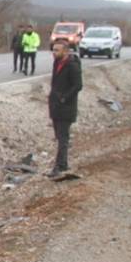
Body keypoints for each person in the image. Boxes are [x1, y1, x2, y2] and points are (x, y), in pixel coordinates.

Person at [47, 40, 82, 178]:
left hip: (66, 107)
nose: (54, 53)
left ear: (66, 51)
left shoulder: (72, 66)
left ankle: (59, 166)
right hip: (55, 106)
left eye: (57, 50)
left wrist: (64, 98)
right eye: (53, 50)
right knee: (59, 136)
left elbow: (78, 85)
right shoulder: (57, 63)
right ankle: (64, 163)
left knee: (63, 137)